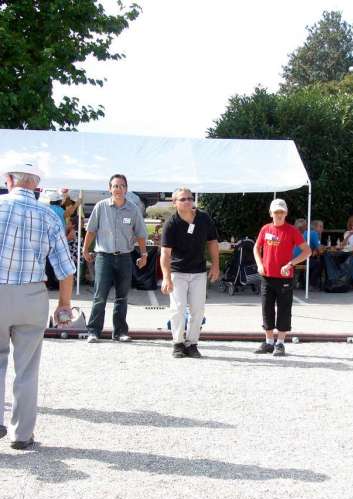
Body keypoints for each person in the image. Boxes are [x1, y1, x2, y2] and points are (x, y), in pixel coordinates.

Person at [0, 162, 75, 449]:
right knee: (27, 368)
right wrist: (64, 305)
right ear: (37, 185)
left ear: (9, 180)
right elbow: (65, 269)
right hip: (32, 296)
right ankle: (22, 435)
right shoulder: (48, 214)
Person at [82, 174, 148, 343]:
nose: (118, 189)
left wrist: (143, 253)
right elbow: (91, 230)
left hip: (125, 257)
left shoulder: (133, 209)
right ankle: (93, 331)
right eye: (115, 186)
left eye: (122, 186)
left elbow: (140, 233)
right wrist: (85, 249)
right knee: (100, 296)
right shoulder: (101, 207)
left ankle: (120, 332)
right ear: (109, 188)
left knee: (122, 297)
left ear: (126, 188)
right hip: (104, 257)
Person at [160, 187, 219, 358]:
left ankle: (192, 343)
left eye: (190, 198)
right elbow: (165, 253)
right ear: (174, 203)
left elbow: (213, 242)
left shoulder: (204, 218)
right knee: (178, 308)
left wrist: (216, 266)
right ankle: (178, 343)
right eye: (183, 199)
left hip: (199, 271)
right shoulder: (171, 223)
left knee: (198, 309)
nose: (187, 201)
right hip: (177, 272)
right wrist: (166, 278)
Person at [253, 199, 311, 357]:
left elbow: (307, 251)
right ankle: (269, 342)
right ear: (271, 213)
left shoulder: (292, 230)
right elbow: (256, 248)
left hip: (284, 278)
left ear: (286, 213)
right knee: (267, 309)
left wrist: (290, 264)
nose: (279, 215)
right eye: (276, 212)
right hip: (267, 276)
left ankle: (280, 343)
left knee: (284, 310)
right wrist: (259, 264)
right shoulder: (265, 229)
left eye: (281, 212)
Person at [294, 218, 321, 288]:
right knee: (318, 264)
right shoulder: (312, 233)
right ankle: (311, 284)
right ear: (305, 226)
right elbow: (319, 249)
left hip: (291, 259)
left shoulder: (293, 233)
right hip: (301, 259)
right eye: (320, 226)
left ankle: (302, 283)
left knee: (310, 261)